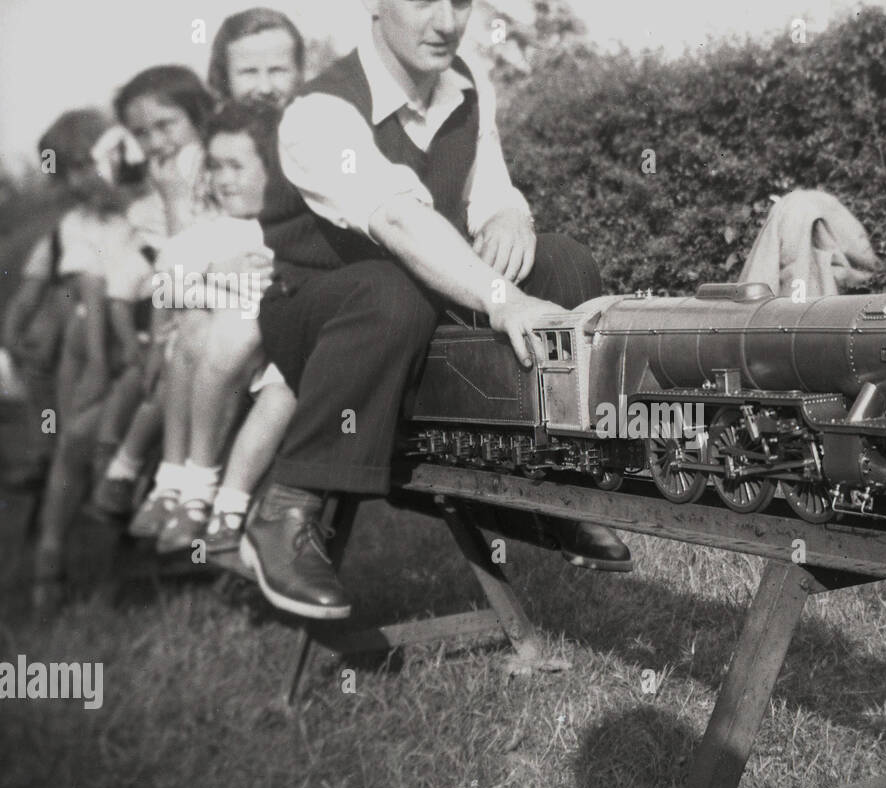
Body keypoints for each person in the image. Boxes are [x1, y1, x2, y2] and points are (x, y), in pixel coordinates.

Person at [243, 0, 631, 620]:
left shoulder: (467, 85)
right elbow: (398, 219)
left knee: (562, 260)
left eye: (459, 1)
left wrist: (509, 216)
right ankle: (287, 506)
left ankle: (553, 484)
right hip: (322, 315)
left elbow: (491, 189)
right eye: (423, 1)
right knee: (391, 293)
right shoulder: (321, 110)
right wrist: (502, 300)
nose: (447, 22)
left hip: (419, 299)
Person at [12, 110, 155, 610]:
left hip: (140, 337)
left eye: (89, 164)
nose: (82, 179)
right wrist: (85, 360)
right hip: (90, 347)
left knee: (112, 449)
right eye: (70, 170)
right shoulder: (71, 227)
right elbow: (79, 297)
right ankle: (51, 560)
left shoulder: (143, 212)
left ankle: (117, 565)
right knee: (75, 444)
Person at [147, 101, 286, 555]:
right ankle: (192, 483)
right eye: (215, 166)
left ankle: (220, 498)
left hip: (274, 353)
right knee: (210, 331)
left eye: (236, 167)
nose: (223, 179)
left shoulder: (284, 228)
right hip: (217, 353)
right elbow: (166, 289)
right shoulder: (212, 231)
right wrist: (217, 280)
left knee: (272, 377)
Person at [89, 67, 216, 535]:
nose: (156, 142)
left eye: (167, 125)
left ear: (199, 116)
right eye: (142, 133)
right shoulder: (159, 189)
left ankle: (144, 474)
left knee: (179, 368)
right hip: (191, 302)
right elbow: (172, 270)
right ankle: (140, 476)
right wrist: (159, 333)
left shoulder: (216, 165)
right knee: (164, 373)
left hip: (224, 299)